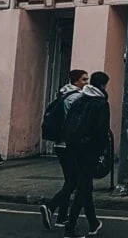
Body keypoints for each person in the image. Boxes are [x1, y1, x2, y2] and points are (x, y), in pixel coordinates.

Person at [63, 71, 111, 237]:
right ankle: (70, 224)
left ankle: (93, 223)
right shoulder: (101, 103)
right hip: (90, 150)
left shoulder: (80, 100)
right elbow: (101, 131)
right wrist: (101, 152)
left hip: (74, 148)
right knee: (84, 187)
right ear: (103, 85)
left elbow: (68, 122)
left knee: (85, 185)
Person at [39, 69, 89, 231]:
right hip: (69, 145)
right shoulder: (76, 97)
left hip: (60, 144)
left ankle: (62, 216)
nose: (86, 82)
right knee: (74, 181)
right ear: (76, 81)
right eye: (83, 79)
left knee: (70, 179)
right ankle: (51, 207)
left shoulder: (63, 94)